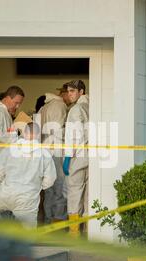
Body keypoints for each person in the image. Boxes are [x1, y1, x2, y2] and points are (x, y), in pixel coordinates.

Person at [0, 122, 57, 228]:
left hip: (6, 193)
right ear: (38, 135)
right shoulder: (44, 153)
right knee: (28, 234)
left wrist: (4, 181)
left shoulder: (10, 148)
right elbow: (50, 179)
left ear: (24, 133)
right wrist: (38, 187)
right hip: (28, 199)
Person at [37, 86, 69, 224]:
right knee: (60, 188)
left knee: (48, 188)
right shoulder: (60, 105)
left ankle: (48, 220)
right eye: (70, 93)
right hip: (56, 150)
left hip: (44, 151)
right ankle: (58, 222)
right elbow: (57, 131)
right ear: (64, 93)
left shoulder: (44, 108)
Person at [0, 86, 25, 192]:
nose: (17, 106)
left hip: (2, 161)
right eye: (16, 102)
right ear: (7, 98)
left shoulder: (3, 112)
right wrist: (16, 135)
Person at [62, 80, 89, 237]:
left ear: (81, 92)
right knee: (87, 194)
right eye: (68, 91)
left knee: (74, 192)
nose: (69, 94)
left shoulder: (76, 109)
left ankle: (73, 232)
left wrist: (67, 156)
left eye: (73, 91)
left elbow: (74, 135)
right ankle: (86, 229)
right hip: (90, 156)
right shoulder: (91, 106)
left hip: (77, 155)